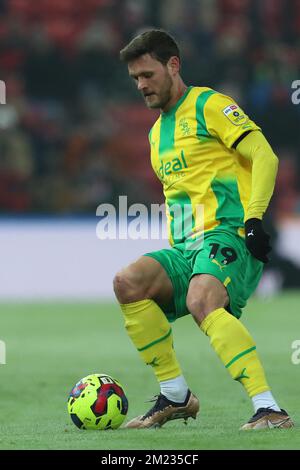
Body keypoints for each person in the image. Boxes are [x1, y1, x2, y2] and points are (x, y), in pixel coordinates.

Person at [114, 29, 294, 430]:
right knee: (128, 282)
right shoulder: (155, 133)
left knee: (201, 298)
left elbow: (263, 154)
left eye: (147, 74)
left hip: (231, 234)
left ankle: (270, 408)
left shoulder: (211, 105)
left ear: (173, 65)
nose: (141, 85)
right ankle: (175, 395)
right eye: (135, 79)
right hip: (186, 250)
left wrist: (254, 220)